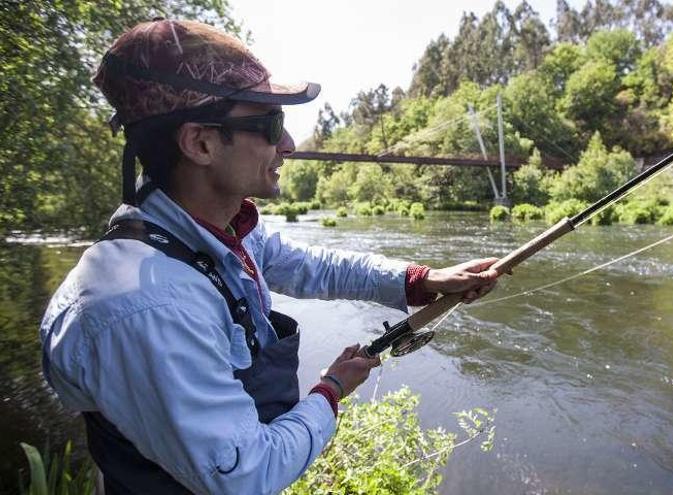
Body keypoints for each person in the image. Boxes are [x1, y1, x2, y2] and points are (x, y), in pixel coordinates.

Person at [39, 19, 499, 494]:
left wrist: (423, 281)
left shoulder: (218, 226)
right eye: (269, 123)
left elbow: (310, 266)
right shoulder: (148, 308)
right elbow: (247, 475)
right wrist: (331, 390)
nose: (289, 145)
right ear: (201, 143)